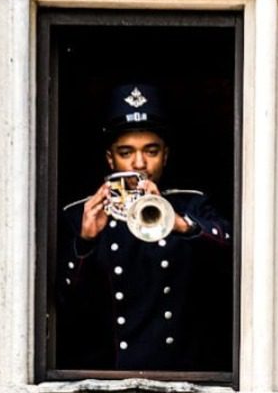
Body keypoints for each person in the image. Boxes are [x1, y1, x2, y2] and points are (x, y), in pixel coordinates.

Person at [57, 84, 231, 371]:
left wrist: (180, 224)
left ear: (165, 155)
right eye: (127, 152)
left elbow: (232, 262)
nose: (140, 164)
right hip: (109, 377)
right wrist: (85, 242)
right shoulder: (79, 214)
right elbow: (67, 308)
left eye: (151, 151)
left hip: (181, 374)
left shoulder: (191, 204)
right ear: (110, 158)